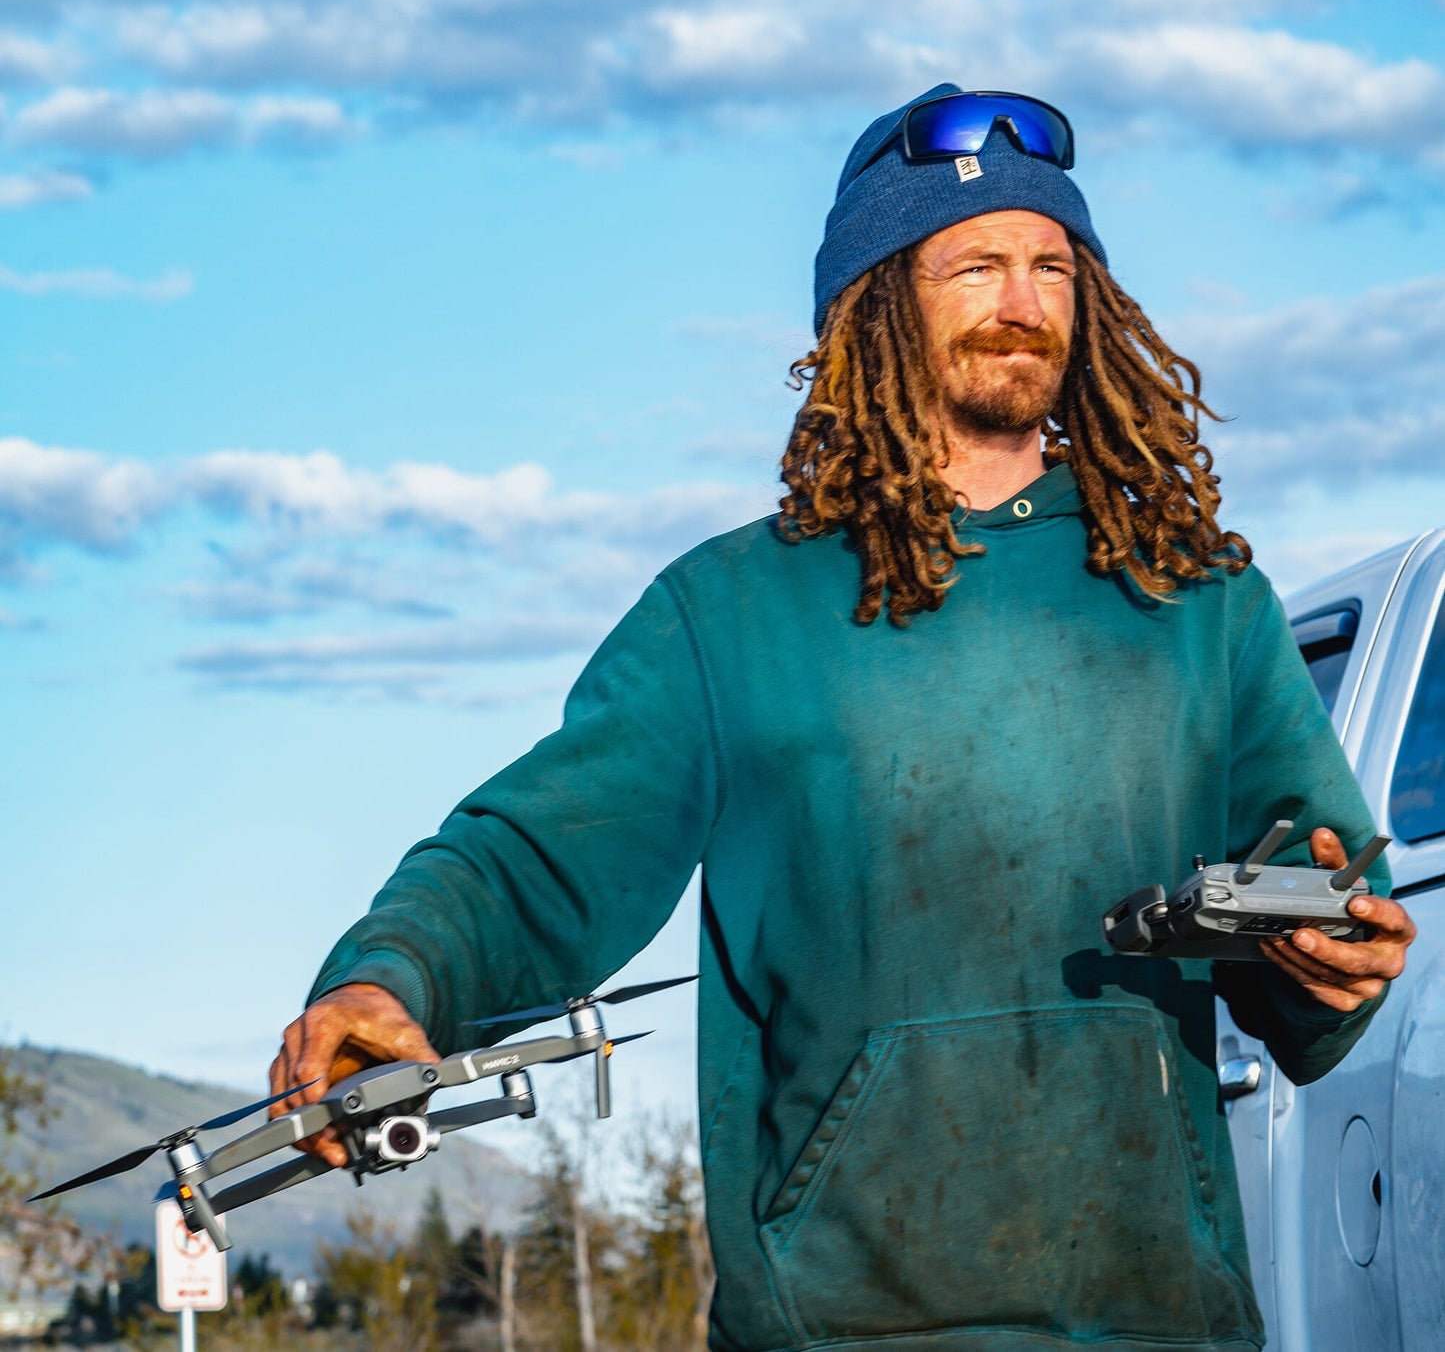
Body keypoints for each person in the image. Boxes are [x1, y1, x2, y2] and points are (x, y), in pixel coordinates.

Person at [269, 84, 1415, 1351]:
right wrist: (392, 973)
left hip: (1151, 1318)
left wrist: (1336, 965)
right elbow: (532, 858)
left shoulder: (1196, 602)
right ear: (872, 305)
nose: (1022, 301)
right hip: (842, 1328)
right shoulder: (730, 616)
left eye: (1050, 263)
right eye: (972, 263)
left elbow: (1319, 919)